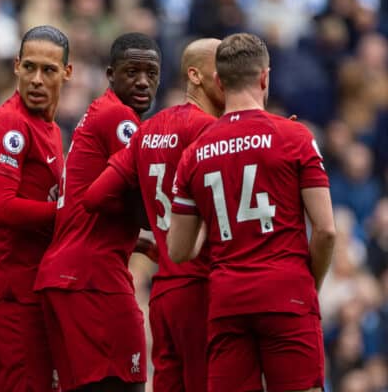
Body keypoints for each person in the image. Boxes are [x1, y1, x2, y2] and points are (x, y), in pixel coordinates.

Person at [168, 32, 336, 392]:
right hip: (287, 293)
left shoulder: (194, 153)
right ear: (264, 77)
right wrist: (311, 284)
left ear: (218, 81)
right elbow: (326, 231)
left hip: (228, 300)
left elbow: (179, 251)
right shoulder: (295, 137)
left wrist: (214, 217)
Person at [82, 38, 224, 392]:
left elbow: (95, 195)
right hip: (201, 286)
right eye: (222, 72)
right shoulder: (210, 132)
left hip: (164, 294)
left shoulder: (147, 130)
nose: (231, 80)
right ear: (195, 75)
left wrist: (152, 229)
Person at [35, 32, 161, 392]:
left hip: (67, 276)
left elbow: (93, 205)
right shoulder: (121, 120)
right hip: (91, 279)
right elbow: (142, 207)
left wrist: (133, 243)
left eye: (150, 73)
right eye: (131, 71)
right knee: (129, 383)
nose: (142, 81)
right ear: (110, 74)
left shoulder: (99, 113)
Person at [0, 25, 72, 392]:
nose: (37, 79)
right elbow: (0, 207)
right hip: (6, 297)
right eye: (30, 67)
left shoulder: (51, 129)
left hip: (25, 293)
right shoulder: (11, 122)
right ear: (16, 66)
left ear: (67, 73)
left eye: (49, 70)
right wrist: (69, 216)